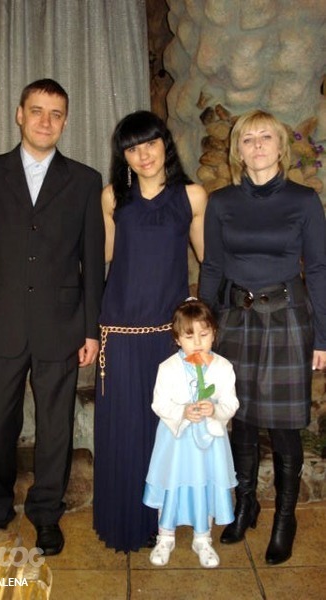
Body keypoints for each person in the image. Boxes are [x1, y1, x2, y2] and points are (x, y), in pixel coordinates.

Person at [0, 78, 105, 555]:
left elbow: (92, 261)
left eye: (56, 114)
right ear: (20, 114)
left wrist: (91, 329)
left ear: (65, 121)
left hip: (60, 325)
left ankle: (46, 514)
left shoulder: (84, 181)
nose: (46, 121)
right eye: (37, 111)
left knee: (56, 428)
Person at [199, 109, 326, 565]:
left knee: (285, 426)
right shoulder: (221, 203)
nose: (256, 145)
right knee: (242, 420)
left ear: (280, 146)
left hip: (288, 319)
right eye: (248, 138)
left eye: (265, 137)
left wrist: (324, 338)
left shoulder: (304, 201)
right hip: (235, 319)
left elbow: (319, 269)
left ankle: (284, 520)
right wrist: (203, 329)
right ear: (237, 149)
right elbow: (212, 266)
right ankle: (245, 505)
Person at [93, 110, 207, 552]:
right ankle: (126, 521)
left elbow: (209, 261)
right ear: (122, 155)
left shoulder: (192, 196)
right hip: (119, 333)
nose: (143, 155)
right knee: (124, 430)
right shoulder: (111, 198)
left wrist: (202, 331)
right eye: (132, 148)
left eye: (150, 143)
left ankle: (166, 522)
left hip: (168, 334)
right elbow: (104, 257)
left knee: (167, 430)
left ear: (166, 144)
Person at [143, 298, 238, 568]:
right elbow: (159, 403)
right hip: (176, 442)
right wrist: (182, 411)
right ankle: (165, 535)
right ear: (177, 339)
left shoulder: (223, 367)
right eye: (189, 336)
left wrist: (215, 409)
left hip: (210, 444)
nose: (197, 342)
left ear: (214, 334)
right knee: (172, 482)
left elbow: (231, 402)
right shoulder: (167, 368)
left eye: (204, 334)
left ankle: (202, 537)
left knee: (205, 483)